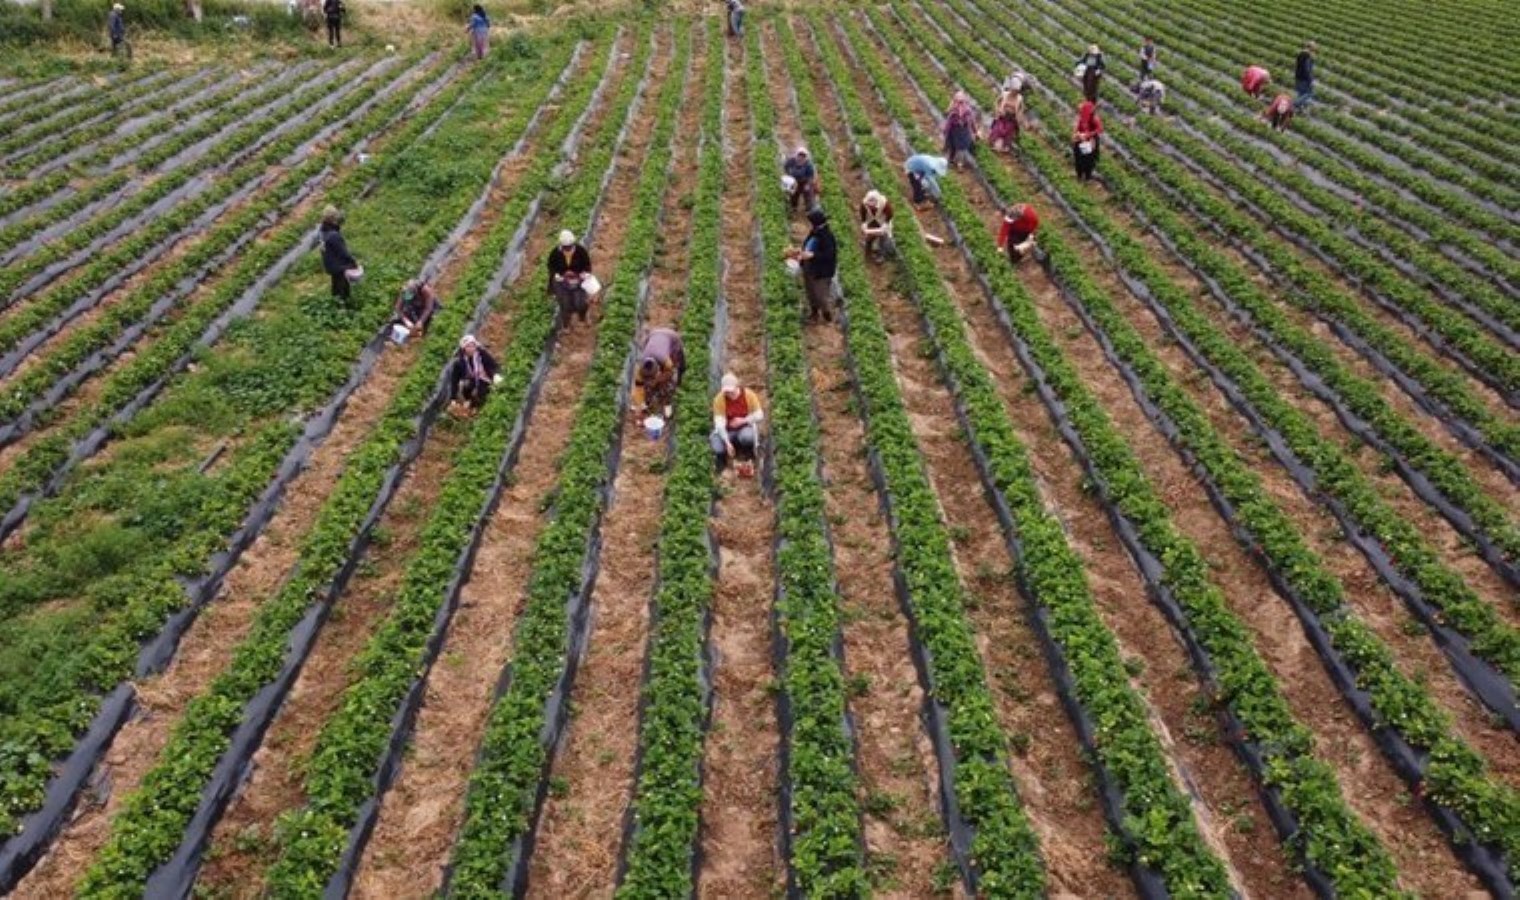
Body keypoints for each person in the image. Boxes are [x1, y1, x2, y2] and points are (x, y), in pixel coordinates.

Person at [785, 208, 838, 322]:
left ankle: (827, 316)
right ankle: (814, 313)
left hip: (821, 271)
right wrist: (799, 252)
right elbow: (808, 246)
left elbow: (829, 255)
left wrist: (813, 255)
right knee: (810, 291)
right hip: (810, 266)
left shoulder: (827, 236)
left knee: (821, 295)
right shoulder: (815, 231)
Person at [711, 372, 764, 476]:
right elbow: (719, 424)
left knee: (747, 437)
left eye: (731, 391)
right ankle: (722, 460)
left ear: (737, 386)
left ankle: (747, 452)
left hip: (743, 429)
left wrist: (743, 420)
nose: (729, 394)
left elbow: (759, 414)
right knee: (717, 445)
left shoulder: (748, 395)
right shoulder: (719, 399)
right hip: (727, 431)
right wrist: (727, 442)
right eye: (726, 392)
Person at [631, 327, 686, 419]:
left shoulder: (666, 361)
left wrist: (657, 380)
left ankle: (667, 402)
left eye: (652, 377)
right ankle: (647, 402)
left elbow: (670, 373)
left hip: (671, 337)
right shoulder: (639, 370)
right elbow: (638, 388)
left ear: (658, 370)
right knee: (648, 386)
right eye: (648, 378)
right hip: (653, 334)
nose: (649, 380)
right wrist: (639, 405)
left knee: (669, 382)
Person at [547, 229, 594, 326]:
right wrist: (558, 275)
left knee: (580, 303)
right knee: (564, 305)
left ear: (573, 243)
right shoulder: (555, 253)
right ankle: (566, 326)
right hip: (562, 282)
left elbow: (587, 266)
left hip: (578, 280)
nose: (567, 249)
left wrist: (582, 274)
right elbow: (551, 267)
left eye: (569, 246)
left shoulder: (580, 251)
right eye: (565, 247)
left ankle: (583, 317)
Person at [450, 334, 499, 413]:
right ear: (464, 349)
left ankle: (476, 405)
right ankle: (469, 400)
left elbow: (493, 365)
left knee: (482, 392)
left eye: (473, 346)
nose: (471, 349)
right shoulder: (459, 362)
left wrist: (495, 375)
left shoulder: (482, 354)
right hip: (471, 381)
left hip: (484, 379)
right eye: (468, 347)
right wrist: (453, 398)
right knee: (465, 384)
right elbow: (454, 380)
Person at [320, 206, 358, 302]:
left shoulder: (323, 231)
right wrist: (353, 262)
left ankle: (335, 301)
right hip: (339, 266)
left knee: (335, 284)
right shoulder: (334, 235)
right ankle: (343, 305)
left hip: (329, 264)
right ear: (333, 219)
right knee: (343, 287)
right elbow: (343, 253)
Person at [943, 91, 980, 168]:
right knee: (952, 146)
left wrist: (975, 132)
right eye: (957, 101)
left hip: (964, 131)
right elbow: (948, 120)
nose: (960, 103)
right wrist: (946, 130)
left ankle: (960, 164)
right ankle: (951, 160)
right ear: (955, 100)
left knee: (962, 148)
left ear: (964, 101)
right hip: (954, 131)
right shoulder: (953, 109)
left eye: (961, 101)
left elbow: (972, 121)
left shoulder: (968, 110)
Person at [989, 77, 1024, 152]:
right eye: (1014, 90)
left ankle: (1005, 145)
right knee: (997, 131)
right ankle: (995, 143)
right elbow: (996, 102)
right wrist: (998, 110)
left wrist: (1019, 117)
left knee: (1008, 135)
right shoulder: (1005, 94)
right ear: (1011, 89)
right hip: (1002, 117)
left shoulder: (1020, 98)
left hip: (1011, 119)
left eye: (1017, 91)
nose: (1015, 92)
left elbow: (1021, 109)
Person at [858, 189, 895, 261]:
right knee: (869, 237)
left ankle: (881, 255)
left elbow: (890, 215)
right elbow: (863, 214)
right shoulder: (864, 203)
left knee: (883, 238)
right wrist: (864, 223)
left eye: (872, 205)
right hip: (872, 220)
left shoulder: (885, 204)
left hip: (882, 220)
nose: (870, 206)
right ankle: (868, 252)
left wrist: (885, 224)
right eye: (869, 205)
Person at [1072, 100, 1103, 181]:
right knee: (1079, 158)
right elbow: (1077, 127)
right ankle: (1079, 175)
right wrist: (1078, 134)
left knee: (1088, 159)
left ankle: (1087, 177)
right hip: (1081, 140)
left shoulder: (1094, 118)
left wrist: (1088, 135)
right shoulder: (1081, 118)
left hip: (1090, 141)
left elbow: (1099, 129)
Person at [783, 146, 818, 214]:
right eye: (800, 155)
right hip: (794, 181)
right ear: (797, 155)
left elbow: (810, 176)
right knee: (794, 194)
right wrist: (788, 175)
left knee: (808, 194)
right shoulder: (791, 161)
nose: (801, 158)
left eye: (803, 156)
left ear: (805, 157)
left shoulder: (808, 165)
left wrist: (808, 184)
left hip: (804, 182)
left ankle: (809, 209)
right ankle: (794, 208)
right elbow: (786, 167)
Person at [1294, 41, 1316, 111]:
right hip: (1304, 78)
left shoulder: (1300, 54)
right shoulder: (1307, 56)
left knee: (1301, 93)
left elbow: (1297, 65)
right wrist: (1311, 80)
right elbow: (1307, 69)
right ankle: (1294, 104)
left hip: (1298, 76)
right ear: (1311, 48)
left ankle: (1300, 109)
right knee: (1310, 93)